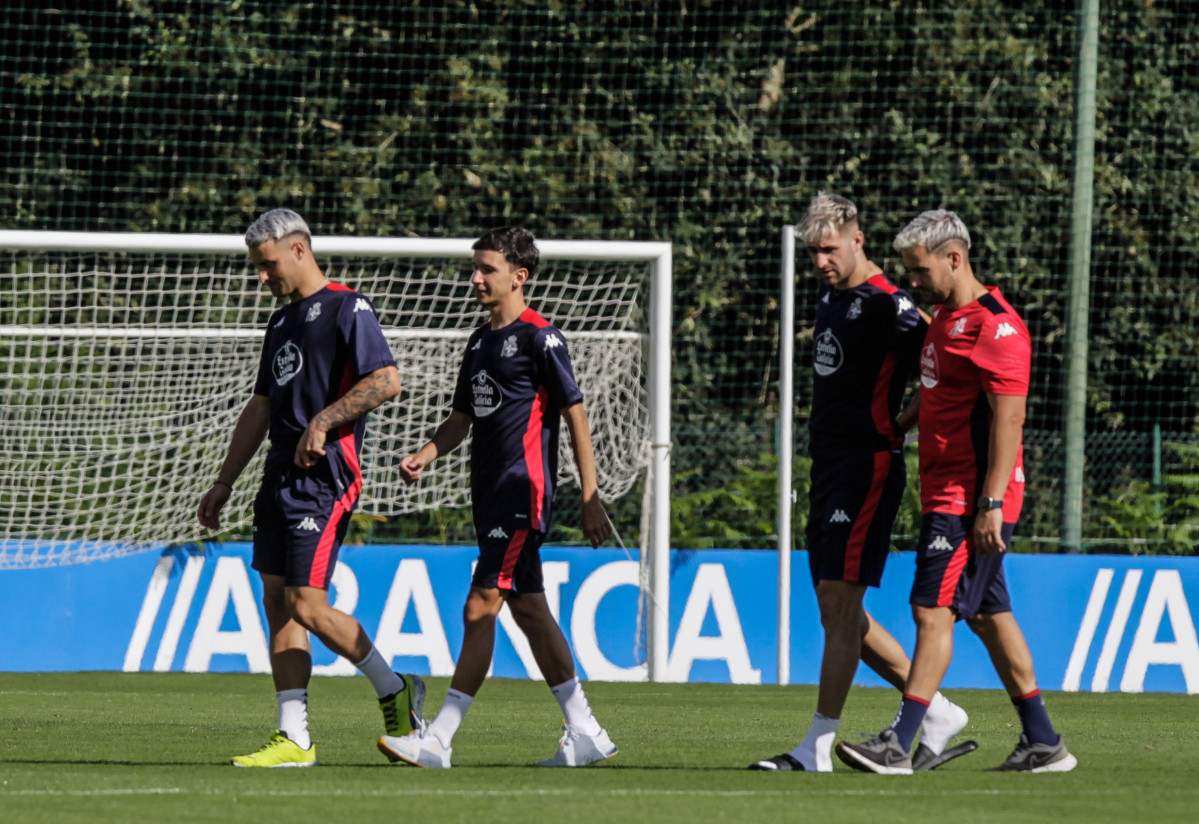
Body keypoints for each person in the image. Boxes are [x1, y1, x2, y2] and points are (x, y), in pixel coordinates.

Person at [836, 210, 1077, 774]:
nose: (912, 282)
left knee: (930, 608)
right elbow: (943, 392)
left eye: (919, 271)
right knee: (991, 616)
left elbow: (1009, 422)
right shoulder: (946, 318)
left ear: (954, 257)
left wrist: (991, 504)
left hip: (970, 498)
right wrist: (902, 421)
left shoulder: (999, 328)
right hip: (947, 488)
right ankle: (1044, 743)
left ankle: (901, 741)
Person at [751, 194, 975, 774]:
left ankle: (817, 746)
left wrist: (901, 425)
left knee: (842, 603)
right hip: (827, 465)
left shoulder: (891, 305)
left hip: (867, 466)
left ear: (857, 239)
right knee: (835, 609)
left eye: (829, 249)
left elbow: (944, 368)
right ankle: (937, 711)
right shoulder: (833, 295)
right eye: (813, 252)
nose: (821, 260)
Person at [377, 225, 616, 769]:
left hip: (521, 491)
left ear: (519, 276)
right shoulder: (480, 340)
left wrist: (590, 495)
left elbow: (575, 415)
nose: (476, 277)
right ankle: (586, 731)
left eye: (487, 268)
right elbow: (463, 417)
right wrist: (426, 453)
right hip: (488, 493)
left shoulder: (541, 339)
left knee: (480, 605)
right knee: (530, 610)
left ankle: (439, 738)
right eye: (475, 267)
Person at [197, 208, 425, 768]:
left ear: (298, 250)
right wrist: (225, 479)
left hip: (326, 477)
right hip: (279, 475)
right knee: (278, 604)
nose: (261, 276)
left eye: (267, 264)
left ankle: (395, 688)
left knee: (306, 603)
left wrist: (323, 422)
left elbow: (386, 380)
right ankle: (294, 738)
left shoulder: (350, 308)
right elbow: (262, 406)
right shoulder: (280, 322)